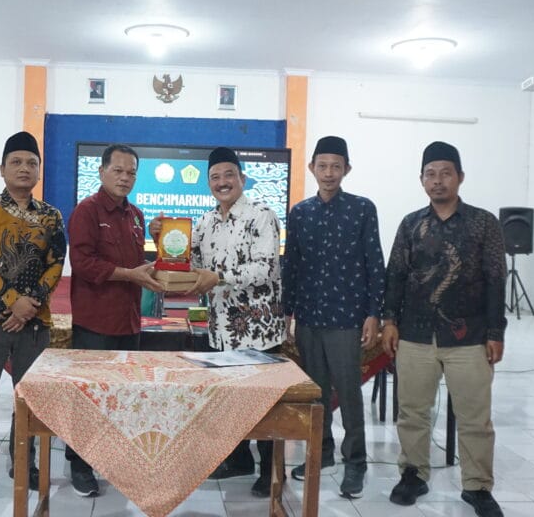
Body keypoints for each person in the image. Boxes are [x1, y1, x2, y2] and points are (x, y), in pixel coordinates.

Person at [382, 141, 507, 517]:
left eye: (445, 173)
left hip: (468, 335)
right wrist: (389, 321)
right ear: (422, 180)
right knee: (412, 412)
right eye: (430, 174)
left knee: (475, 417)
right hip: (415, 334)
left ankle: (477, 487)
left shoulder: (483, 223)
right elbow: (395, 275)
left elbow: (496, 279)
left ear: (460, 177)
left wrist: (496, 332)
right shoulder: (411, 224)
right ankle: (413, 475)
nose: (438, 181)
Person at [161, 146, 284, 497]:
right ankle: (239, 459)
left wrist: (219, 277)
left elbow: (265, 268)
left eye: (229, 175)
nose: (222, 182)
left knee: (264, 403)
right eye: (215, 177)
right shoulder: (205, 222)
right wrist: (164, 239)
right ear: (209, 183)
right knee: (229, 400)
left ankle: (270, 471)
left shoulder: (262, 215)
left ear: (242, 178)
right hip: (221, 330)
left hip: (259, 331)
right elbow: (192, 263)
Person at [0, 132, 66, 499]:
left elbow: (56, 264)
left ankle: (25, 462)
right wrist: (11, 301)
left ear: (39, 171)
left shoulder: (51, 216)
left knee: (29, 400)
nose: (24, 168)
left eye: (31, 163)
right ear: (2, 169)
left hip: (34, 322)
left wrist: (28, 304)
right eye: (16, 162)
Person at [281, 136, 385, 498]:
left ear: (347, 169)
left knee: (349, 393)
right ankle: (321, 453)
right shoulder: (300, 213)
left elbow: (375, 263)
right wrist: (287, 312)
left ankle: (355, 462)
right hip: (309, 317)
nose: (328, 173)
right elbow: (291, 266)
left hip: (346, 318)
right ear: (312, 168)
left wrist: (374, 313)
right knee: (317, 392)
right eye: (322, 166)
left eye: (336, 167)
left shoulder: (362, 209)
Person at [67, 143, 163, 497]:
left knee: (123, 396)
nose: (125, 178)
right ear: (102, 171)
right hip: (95, 323)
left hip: (129, 322)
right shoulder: (87, 211)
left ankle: (111, 460)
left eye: (131, 172)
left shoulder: (136, 214)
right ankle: (80, 465)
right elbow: (83, 264)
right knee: (90, 397)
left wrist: (160, 241)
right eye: (118, 170)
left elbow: (139, 265)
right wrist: (129, 275)